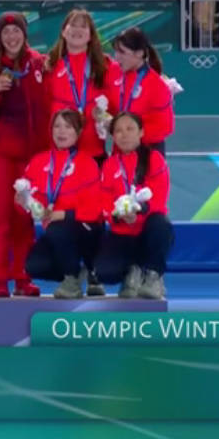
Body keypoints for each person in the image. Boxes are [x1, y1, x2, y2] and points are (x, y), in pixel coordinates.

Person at [0, 12, 52, 299]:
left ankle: (23, 277)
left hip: (31, 154)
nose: (11, 37)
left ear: (24, 33)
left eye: (16, 31)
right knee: (1, 217)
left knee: (24, 217)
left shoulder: (39, 64)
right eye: (6, 32)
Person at [21, 110, 101, 299]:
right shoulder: (38, 162)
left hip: (85, 227)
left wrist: (62, 214)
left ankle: (74, 278)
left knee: (58, 229)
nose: (62, 131)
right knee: (33, 265)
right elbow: (32, 201)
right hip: (55, 231)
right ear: (50, 131)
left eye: (68, 126)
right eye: (57, 126)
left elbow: (94, 208)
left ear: (78, 132)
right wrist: (25, 201)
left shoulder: (88, 163)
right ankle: (76, 272)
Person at [95, 113, 172, 299]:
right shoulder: (110, 165)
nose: (124, 135)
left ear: (141, 132)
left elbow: (159, 200)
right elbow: (104, 201)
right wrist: (117, 215)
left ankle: (153, 276)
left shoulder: (154, 159)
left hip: (146, 230)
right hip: (122, 232)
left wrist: (139, 211)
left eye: (130, 129)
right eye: (118, 131)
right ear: (113, 137)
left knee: (161, 224)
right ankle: (132, 272)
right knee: (104, 272)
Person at [46, 9, 122, 164]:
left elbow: (118, 111)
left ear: (91, 35)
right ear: (63, 31)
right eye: (73, 25)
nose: (77, 30)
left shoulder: (107, 66)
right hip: (58, 151)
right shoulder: (49, 65)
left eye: (83, 26)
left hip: (93, 151)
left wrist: (104, 117)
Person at [110, 28, 174, 153]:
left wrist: (133, 135)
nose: (117, 57)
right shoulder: (115, 73)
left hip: (147, 152)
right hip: (120, 150)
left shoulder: (157, 85)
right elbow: (112, 108)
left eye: (122, 52)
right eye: (116, 52)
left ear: (139, 53)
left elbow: (165, 127)